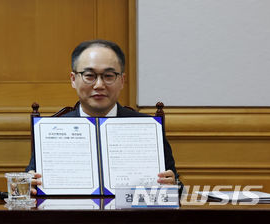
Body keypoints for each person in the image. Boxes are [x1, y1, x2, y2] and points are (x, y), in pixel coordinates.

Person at [26, 39, 181, 194]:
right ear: (73, 80)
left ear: (122, 80)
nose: (99, 85)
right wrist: (29, 184)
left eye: (108, 76)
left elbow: (178, 190)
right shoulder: (49, 130)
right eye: (89, 75)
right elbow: (28, 184)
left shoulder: (149, 128)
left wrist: (173, 186)